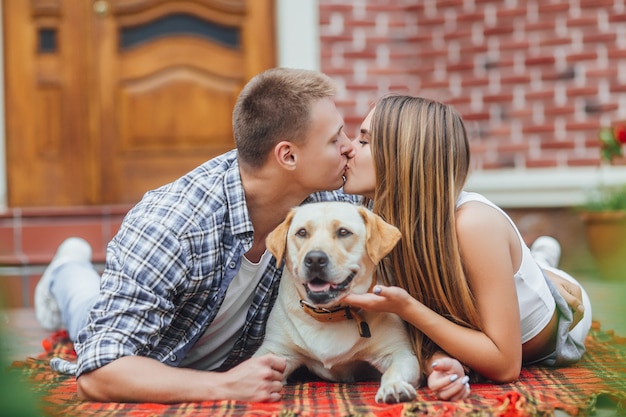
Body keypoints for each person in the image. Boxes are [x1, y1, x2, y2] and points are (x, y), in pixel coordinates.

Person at [34, 67, 359, 403]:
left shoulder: (326, 201)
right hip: (155, 358)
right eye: (336, 140)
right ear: (287, 156)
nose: (350, 149)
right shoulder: (172, 227)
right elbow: (99, 373)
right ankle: (66, 269)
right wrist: (225, 387)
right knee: (86, 309)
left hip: (221, 350)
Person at [342, 95, 592, 401]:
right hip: (477, 306)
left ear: (402, 155)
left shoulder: (472, 224)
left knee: (549, 279)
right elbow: (422, 338)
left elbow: (504, 365)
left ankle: (541, 264)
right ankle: (537, 261)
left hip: (559, 317)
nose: (349, 148)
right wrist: (438, 363)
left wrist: (407, 308)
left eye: (364, 141)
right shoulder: (378, 220)